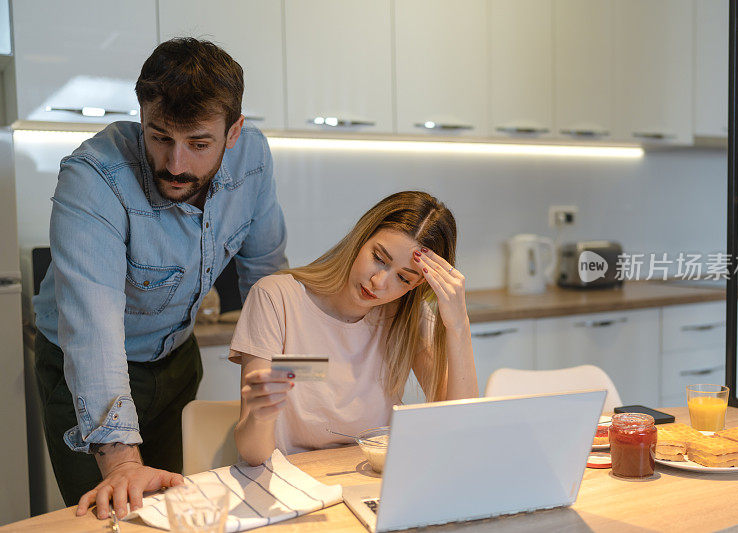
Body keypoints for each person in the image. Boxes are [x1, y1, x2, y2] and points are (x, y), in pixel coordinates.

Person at [32, 38, 288, 519]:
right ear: (142, 116)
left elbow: (267, 277)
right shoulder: (94, 178)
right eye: (160, 137)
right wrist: (123, 462)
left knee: (177, 513)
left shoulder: (252, 157)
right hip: (82, 372)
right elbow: (93, 328)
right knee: (115, 515)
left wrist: (281, 384)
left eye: (199, 144)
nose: (176, 165)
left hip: (176, 360)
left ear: (233, 132)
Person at [229, 191, 478, 464]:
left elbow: (459, 430)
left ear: (417, 285)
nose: (379, 282)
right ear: (362, 237)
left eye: (403, 278)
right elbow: (253, 454)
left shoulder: (408, 318)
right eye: (379, 258)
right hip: (291, 482)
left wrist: (458, 326)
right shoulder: (276, 298)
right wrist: (259, 413)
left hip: (374, 480)